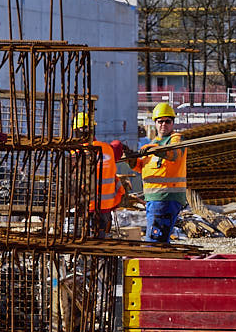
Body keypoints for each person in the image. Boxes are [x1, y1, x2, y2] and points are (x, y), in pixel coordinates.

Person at [134, 103, 187, 243]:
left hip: (167, 197)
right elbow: (141, 167)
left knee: (154, 241)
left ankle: (154, 264)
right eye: (160, 121)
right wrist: (131, 161)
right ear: (155, 123)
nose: (163, 124)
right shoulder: (151, 144)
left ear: (173, 123)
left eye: (167, 121)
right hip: (154, 198)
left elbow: (173, 154)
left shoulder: (176, 139)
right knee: (159, 239)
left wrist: (154, 148)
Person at [73, 112, 125, 238]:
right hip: (105, 207)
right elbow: (118, 147)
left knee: (83, 242)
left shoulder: (76, 152)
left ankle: (86, 257)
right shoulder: (107, 149)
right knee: (101, 241)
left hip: (85, 207)